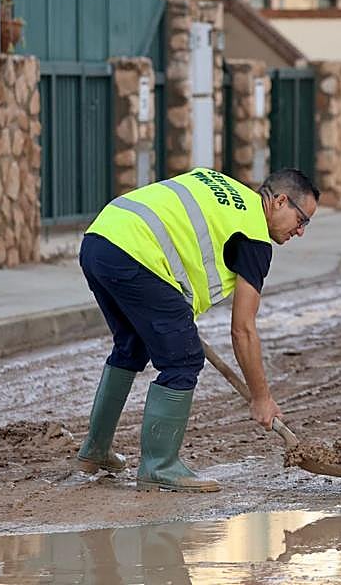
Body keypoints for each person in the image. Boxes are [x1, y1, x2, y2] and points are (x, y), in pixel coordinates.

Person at [73, 166, 319, 492]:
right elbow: (243, 330)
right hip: (136, 254)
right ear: (280, 201)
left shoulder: (221, 183)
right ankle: (159, 466)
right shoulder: (254, 236)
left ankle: (95, 450)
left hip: (100, 239)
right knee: (183, 359)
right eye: (302, 220)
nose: (300, 232)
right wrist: (262, 398)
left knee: (132, 345)